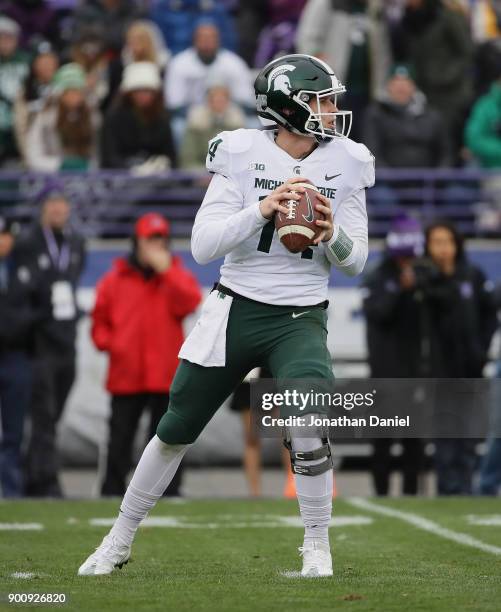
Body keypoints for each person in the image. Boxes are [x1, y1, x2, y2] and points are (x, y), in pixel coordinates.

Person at [78, 53, 374, 578]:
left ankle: (317, 543)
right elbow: (201, 246)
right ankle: (118, 538)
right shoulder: (240, 152)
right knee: (176, 427)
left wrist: (335, 235)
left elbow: (356, 263)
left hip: (301, 314)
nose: (331, 111)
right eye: (321, 100)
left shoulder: (348, 160)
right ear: (288, 106)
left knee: (308, 419)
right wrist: (262, 208)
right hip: (236, 307)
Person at [92, 212, 202, 496]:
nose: (156, 244)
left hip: (165, 376)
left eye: (160, 238)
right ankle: (111, 491)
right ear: (136, 242)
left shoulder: (174, 274)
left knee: (168, 439)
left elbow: (190, 301)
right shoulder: (115, 279)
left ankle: (169, 492)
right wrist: (114, 344)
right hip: (126, 374)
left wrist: (167, 271)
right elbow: (99, 323)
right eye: (150, 238)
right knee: (119, 439)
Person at [17, 190, 86, 497]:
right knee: (43, 414)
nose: (59, 209)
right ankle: (45, 480)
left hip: (65, 339)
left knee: (54, 413)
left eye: (63, 203)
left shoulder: (75, 242)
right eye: (53, 204)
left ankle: (34, 473)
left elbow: (70, 283)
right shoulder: (29, 243)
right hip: (40, 341)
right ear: (44, 208)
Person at [424, 220, 497, 494]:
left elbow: (490, 314)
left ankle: (466, 488)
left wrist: (481, 349)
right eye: (437, 242)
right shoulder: (426, 279)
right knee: (445, 432)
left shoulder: (472, 275)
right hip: (439, 371)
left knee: (468, 433)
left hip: (470, 367)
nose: (443, 249)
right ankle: (446, 489)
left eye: (447, 242)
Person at [362, 215, 427, 495]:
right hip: (384, 370)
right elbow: (378, 313)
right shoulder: (378, 275)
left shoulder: (424, 274)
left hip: (415, 369)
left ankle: (412, 494)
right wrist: (401, 289)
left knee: (414, 438)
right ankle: (381, 493)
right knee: (383, 437)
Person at [296, 0, 392, 141]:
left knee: (363, 138)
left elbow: (383, 49)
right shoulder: (326, 3)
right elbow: (307, 38)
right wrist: (320, 70)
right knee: (335, 137)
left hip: (367, 90)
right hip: (332, 89)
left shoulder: (374, 8)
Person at [0, 216, 48, 497]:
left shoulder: (24, 267)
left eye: (6, 235)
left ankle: (11, 489)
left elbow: (43, 306)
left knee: (15, 431)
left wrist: (17, 324)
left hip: (17, 355)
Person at [363, 65, 451, 168]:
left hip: (428, 181)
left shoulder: (432, 115)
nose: (401, 89)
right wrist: (389, 178)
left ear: (414, 86)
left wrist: (437, 179)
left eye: (405, 83)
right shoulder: (375, 114)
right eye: (396, 83)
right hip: (386, 181)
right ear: (388, 86)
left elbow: (446, 152)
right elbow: (371, 151)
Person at [164, 21, 254, 120]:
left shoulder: (234, 63)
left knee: (252, 123)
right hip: (191, 117)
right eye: (202, 38)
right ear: (194, 40)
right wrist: (201, 115)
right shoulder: (179, 64)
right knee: (177, 125)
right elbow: (174, 104)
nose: (207, 42)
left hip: (228, 116)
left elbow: (246, 101)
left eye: (211, 38)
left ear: (218, 40)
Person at [100, 61, 176, 172]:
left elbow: (170, 155)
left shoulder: (162, 118)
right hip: (121, 179)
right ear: (129, 93)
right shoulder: (114, 118)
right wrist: (133, 168)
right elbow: (109, 157)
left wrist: (160, 165)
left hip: (157, 179)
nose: (142, 95)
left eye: (147, 91)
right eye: (138, 91)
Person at [24, 63, 101, 172]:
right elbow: (33, 154)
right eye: (68, 91)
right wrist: (58, 165)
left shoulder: (93, 116)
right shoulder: (44, 118)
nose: (73, 96)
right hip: (50, 177)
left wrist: (90, 166)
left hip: (87, 177)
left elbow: (98, 151)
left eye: (77, 91)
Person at [105, 20, 170, 111]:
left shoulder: (162, 66)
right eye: (131, 40)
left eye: (140, 39)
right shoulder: (119, 65)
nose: (135, 44)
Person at [180, 83, 245, 169]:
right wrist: (205, 174)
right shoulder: (196, 124)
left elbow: (242, 158)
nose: (218, 104)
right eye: (215, 100)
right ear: (208, 102)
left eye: (222, 101)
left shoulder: (236, 125)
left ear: (228, 102)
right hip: (201, 174)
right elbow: (188, 158)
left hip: (230, 175)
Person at [13, 40, 59, 162]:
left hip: (60, 153)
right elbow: (20, 127)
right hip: (33, 152)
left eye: (50, 60)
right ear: (34, 64)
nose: (47, 65)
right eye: (42, 61)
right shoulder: (26, 91)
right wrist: (29, 157)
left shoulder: (63, 89)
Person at [0, 16, 30, 165]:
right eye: (1, 38)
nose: (4, 43)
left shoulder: (25, 59)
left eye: (8, 38)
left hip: (22, 110)